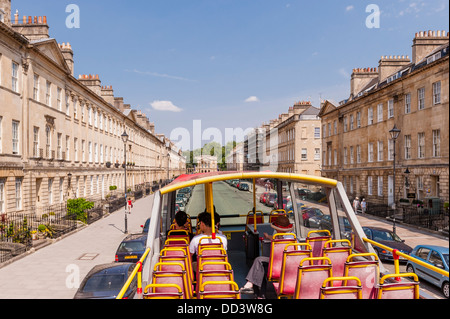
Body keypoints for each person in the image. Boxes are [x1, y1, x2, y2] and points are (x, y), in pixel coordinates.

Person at [240, 215, 294, 299]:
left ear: (279, 229)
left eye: (276, 228)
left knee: (259, 261)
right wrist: (269, 237)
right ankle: (260, 296)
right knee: (260, 269)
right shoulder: (293, 238)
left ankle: (251, 285)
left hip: (280, 265)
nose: (275, 230)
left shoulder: (282, 240)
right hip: (291, 267)